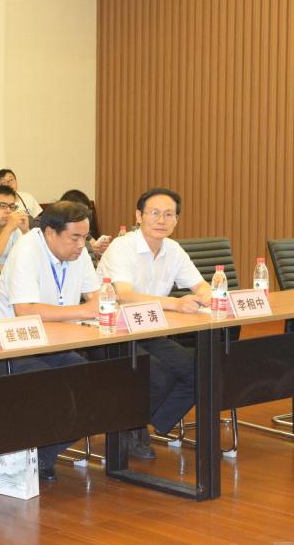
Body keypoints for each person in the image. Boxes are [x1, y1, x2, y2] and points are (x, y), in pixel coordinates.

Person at [0, 201, 100, 480]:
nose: (82, 245)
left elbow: (98, 297)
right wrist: (84, 311)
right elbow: (25, 310)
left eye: (85, 237)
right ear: (50, 233)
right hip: (11, 348)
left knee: (95, 386)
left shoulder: (78, 251)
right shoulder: (26, 250)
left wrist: (93, 306)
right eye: (75, 238)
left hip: (56, 343)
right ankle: (30, 458)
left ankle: (41, 457)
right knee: (56, 390)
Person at [97, 187, 208, 460]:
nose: (161, 220)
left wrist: (208, 295)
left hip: (149, 330)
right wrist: (176, 303)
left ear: (176, 220)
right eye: (155, 213)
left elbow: (201, 285)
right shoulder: (122, 247)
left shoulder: (173, 249)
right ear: (138, 216)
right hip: (111, 334)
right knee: (157, 372)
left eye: (169, 214)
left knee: (200, 369)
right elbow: (124, 295)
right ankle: (130, 428)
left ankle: (142, 424)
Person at [60, 189, 110, 258]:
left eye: (86, 213)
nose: (84, 217)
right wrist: (90, 249)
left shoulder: (82, 229)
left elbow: (94, 246)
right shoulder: (60, 231)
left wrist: (99, 249)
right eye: (80, 213)